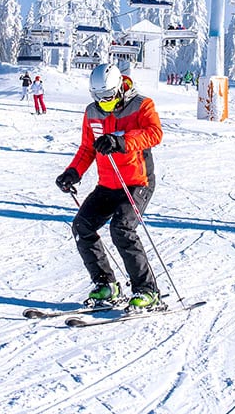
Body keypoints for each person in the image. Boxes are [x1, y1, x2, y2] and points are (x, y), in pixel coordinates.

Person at [54, 63, 165, 312]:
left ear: (119, 90)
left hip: (137, 182)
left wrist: (121, 141)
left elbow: (154, 133)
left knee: (122, 229)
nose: (104, 102)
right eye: (98, 97)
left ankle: (147, 290)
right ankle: (106, 284)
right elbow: (87, 148)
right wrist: (73, 172)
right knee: (82, 226)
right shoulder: (92, 112)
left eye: (108, 96)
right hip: (107, 183)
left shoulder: (141, 105)